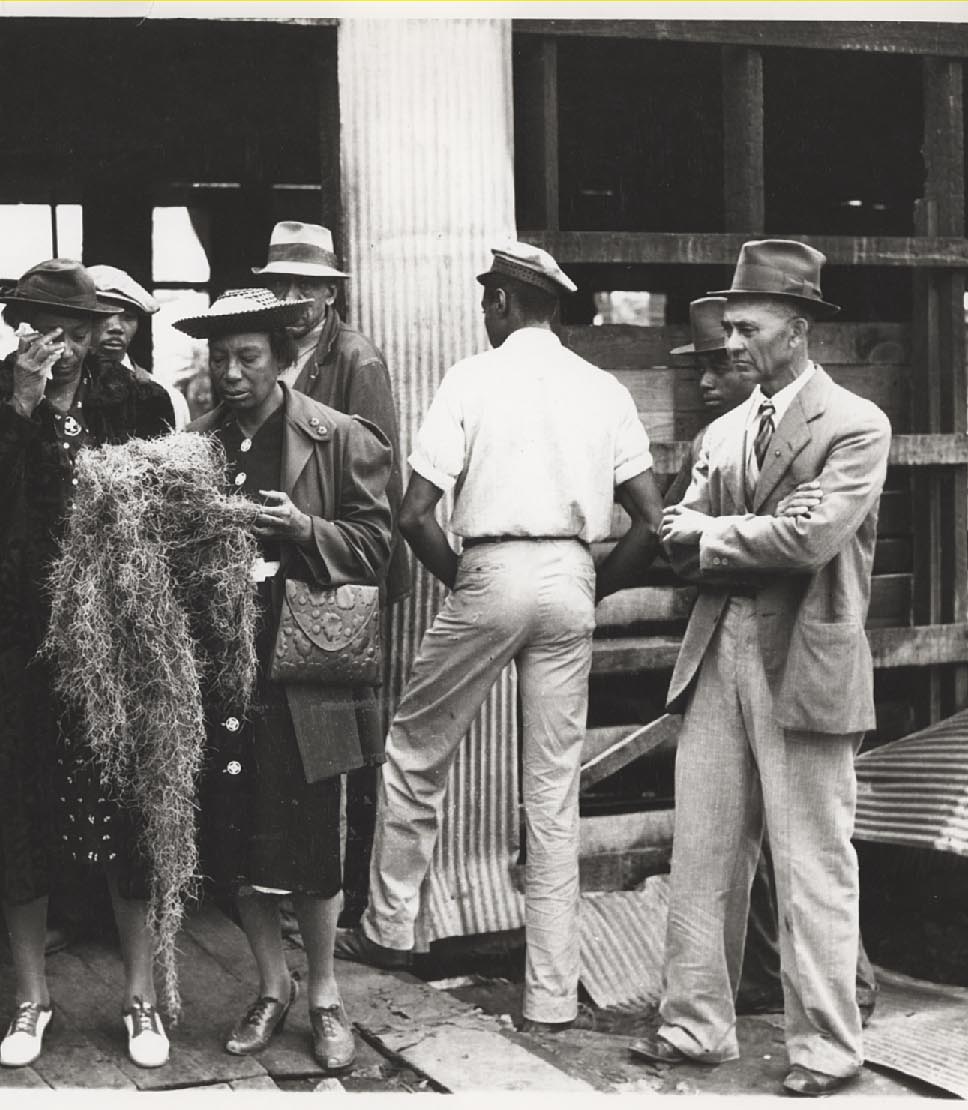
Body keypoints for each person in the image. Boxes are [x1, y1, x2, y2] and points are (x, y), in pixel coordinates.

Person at [337, 244, 664, 1033]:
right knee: (551, 790)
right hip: (570, 576)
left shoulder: (471, 378)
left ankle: (388, 930)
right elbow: (650, 521)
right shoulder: (602, 389)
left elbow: (414, 514)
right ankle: (550, 995)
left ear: (501, 303)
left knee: (415, 752)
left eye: (488, 300)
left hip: (491, 568)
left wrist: (468, 582)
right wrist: (591, 587)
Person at [632, 240, 891, 1097]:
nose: (732, 342)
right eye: (730, 327)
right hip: (719, 648)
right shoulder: (725, 429)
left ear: (798, 327)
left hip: (805, 659)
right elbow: (677, 537)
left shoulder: (855, 423)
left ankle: (826, 1050)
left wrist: (714, 533)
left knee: (812, 861)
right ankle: (693, 1026)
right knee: (703, 850)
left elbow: (810, 540)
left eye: (747, 327)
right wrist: (744, 534)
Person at [0, 260, 176, 1069]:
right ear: (16, 326)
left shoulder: (136, 399)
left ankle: (140, 997)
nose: (59, 343)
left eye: (74, 328)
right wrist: (22, 403)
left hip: (114, 637)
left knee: (127, 812)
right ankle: (31, 999)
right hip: (13, 637)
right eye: (42, 327)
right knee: (18, 815)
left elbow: (163, 510)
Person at [175, 288, 394, 1071]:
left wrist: (304, 529)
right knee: (234, 833)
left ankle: (326, 994)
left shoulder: (338, 437)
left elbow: (378, 548)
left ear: (283, 359)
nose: (231, 374)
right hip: (221, 667)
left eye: (247, 358)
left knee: (310, 837)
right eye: (219, 359)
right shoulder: (193, 446)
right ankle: (272, 985)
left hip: (306, 665)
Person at [253, 218, 411, 909]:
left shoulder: (354, 359)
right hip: (285, 566)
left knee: (341, 741)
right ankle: (292, 884)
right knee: (288, 735)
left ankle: (341, 897)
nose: (291, 299)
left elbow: (376, 472)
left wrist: (323, 534)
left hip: (337, 568)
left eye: (304, 287)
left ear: (329, 293)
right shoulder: (278, 351)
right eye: (281, 286)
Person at [86, 263, 193, 430]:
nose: (116, 327)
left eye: (128, 317)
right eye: (104, 315)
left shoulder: (168, 398)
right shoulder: (57, 389)